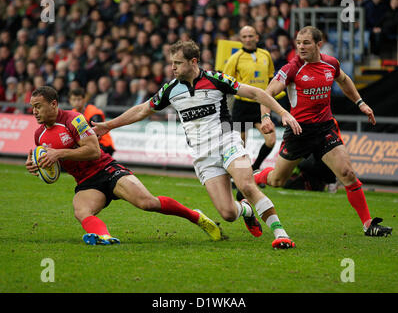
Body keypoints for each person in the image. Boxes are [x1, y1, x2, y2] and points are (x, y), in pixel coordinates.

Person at [93, 40, 303, 249]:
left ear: (193, 62)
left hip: (228, 142)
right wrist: (108, 126)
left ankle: (280, 233)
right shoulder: (170, 90)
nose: (172, 67)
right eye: (171, 62)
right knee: (228, 214)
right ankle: (247, 210)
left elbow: (256, 93)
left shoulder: (216, 79)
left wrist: (283, 113)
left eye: (177, 62)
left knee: (246, 185)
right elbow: (141, 110)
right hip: (203, 155)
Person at [25, 86, 223, 246]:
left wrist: (59, 153)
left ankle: (196, 217)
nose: (34, 112)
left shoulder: (74, 120)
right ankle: (104, 237)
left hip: (107, 170)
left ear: (53, 104)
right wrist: (38, 165)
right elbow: (53, 170)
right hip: (87, 182)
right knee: (81, 211)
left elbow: (93, 151)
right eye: (33, 107)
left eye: (38, 106)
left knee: (148, 203)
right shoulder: (39, 135)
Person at [252, 26, 392, 237]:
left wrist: (360, 103)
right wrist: (265, 117)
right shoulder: (292, 68)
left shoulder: (331, 63)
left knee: (347, 174)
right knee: (277, 181)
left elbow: (343, 80)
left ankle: (368, 224)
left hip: (325, 128)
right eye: (298, 42)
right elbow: (268, 93)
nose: (301, 47)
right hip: (299, 132)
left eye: (306, 43)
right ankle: (254, 178)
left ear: (319, 44)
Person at [223, 26, 276, 173]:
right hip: (242, 106)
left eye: (250, 36)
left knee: (271, 140)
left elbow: (271, 78)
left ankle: (255, 167)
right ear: (240, 39)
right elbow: (226, 82)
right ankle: (239, 176)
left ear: (257, 38)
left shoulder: (266, 55)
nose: (248, 39)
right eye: (244, 36)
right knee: (240, 145)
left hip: (261, 106)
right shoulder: (235, 58)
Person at [69, 87, 116, 156]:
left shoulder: (93, 112)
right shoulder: (71, 114)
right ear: (70, 101)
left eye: (79, 99)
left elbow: (96, 134)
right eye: (74, 100)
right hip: (89, 145)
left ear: (84, 100)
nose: (76, 102)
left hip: (104, 144)